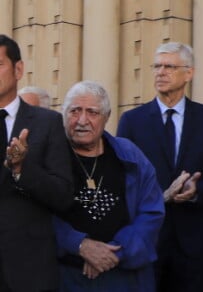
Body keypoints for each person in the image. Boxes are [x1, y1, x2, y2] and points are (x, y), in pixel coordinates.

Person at [117, 42, 203, 292]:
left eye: (169, 66)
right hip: (147, 240)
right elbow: (122, 180)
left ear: (188, 73)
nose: (161, 72)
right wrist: (161, 196)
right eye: (157, 66)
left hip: (193, 243)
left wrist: (196, 190)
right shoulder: (132, 121)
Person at [53, 80, 165, 292]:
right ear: (64, 115)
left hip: (124, 276)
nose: (82, 120)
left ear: (106, 117)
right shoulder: (51, 157)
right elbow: (37, 214)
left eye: (92, 112)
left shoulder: (129, 155)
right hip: (67, 276)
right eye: (75, 111)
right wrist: (79, 245)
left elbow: (151, 212)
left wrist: (113, 253)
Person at [0, 34, 73, 292]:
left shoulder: (47, 123)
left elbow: (63, 194)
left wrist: (22, 170)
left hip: (29, 268)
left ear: (18, 69)